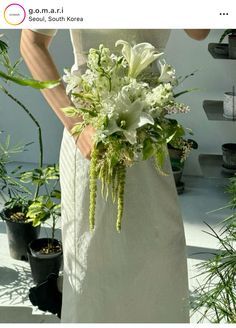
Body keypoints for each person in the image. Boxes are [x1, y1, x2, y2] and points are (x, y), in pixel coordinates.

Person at [20, 29, 210, 323]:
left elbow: (199, 31)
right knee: (94, 259)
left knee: (160, 255)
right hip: (91, 131)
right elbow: (31, 41)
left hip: (148, 128)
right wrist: (76, 126)